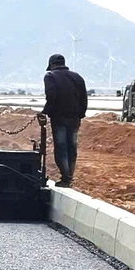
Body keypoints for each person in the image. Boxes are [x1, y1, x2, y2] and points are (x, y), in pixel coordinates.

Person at [41, 52, 89, 187]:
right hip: (74, 118)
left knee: (61, 147)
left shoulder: (50, 76)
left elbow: (51, 96)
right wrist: (80, 114)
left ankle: (66, 177)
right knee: (72, 147)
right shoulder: (77, 77)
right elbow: (84, 98)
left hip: (59, 118)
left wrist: (46, 112)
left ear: (51, 65)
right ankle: (69, 177)